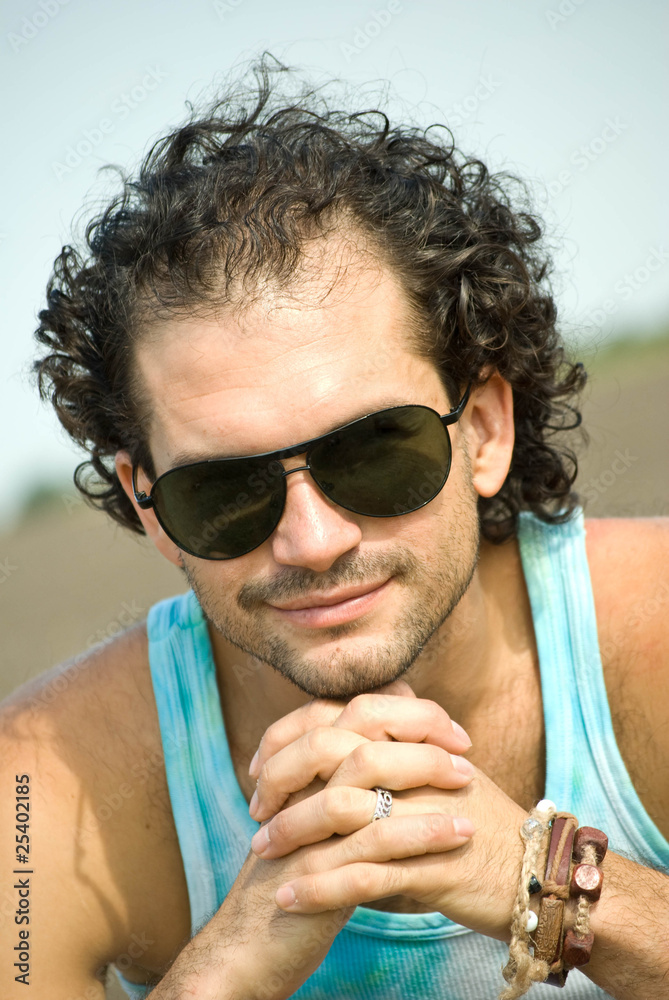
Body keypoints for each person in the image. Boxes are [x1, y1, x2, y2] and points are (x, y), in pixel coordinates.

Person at [2, 55, 668, 1000]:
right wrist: (222, 972)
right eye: (223, 491)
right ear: (147, 504)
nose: (312, 541)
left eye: (374, 452)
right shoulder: (33, 798)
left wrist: (539, 885)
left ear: (482, 430)